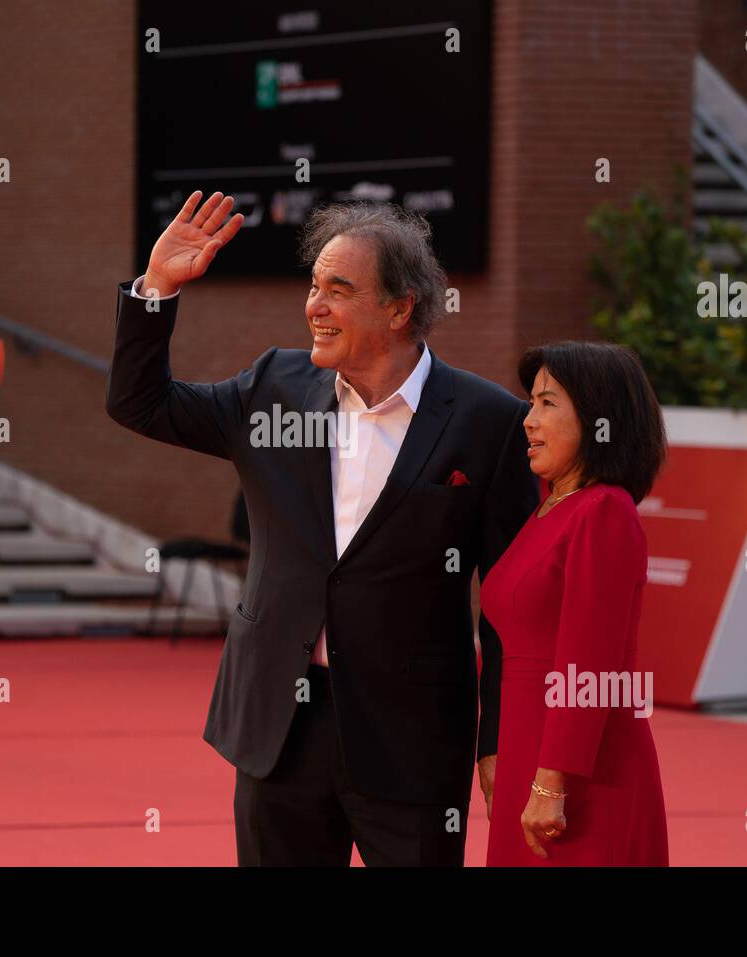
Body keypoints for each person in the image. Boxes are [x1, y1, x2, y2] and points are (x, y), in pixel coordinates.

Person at [107, 191, 538, 865]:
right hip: (281, 726)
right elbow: (141, 403)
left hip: (412, 739)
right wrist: (156, 288)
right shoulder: (271, 387)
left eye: (339, 290)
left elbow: (510, 607)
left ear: (400, 309)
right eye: (313, 286)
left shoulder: (488, 422)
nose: (315, 305)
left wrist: (499, 740)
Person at [481, 340, 669, 866]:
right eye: (531, 403)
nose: (528, 421)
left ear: (597, 418)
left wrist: (551, 783)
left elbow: (590, 661)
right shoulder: (550, 507)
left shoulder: (604, 511)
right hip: (532, 758)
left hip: (581, 774)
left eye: (547, 404)